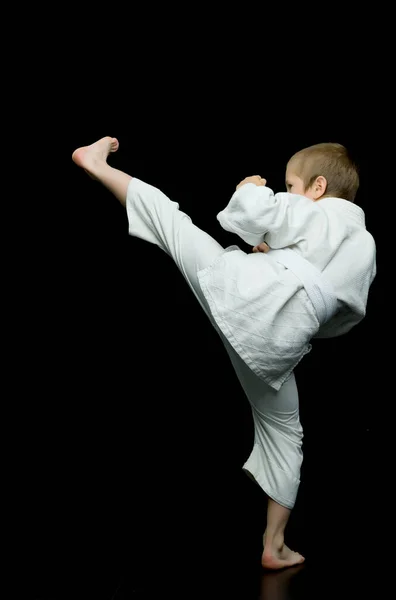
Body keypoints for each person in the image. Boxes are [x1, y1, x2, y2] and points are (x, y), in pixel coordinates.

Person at [72, 137, 376, 570]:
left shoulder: (314, 209)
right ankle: (274, 545)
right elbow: (339, 313)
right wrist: (282, 271)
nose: (289, 193)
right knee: (286, 435)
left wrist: (249, 189)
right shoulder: (363, 247)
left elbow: (255, 215)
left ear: (317, 186)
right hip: (276, 346)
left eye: (292, 185)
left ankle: (96, 164)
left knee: (171, 223)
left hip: (239, 295)